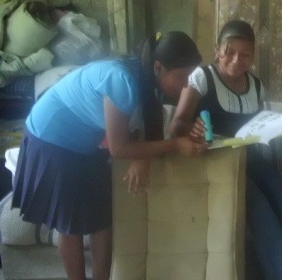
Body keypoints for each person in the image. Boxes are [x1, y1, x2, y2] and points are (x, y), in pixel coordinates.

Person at [11, 31, 206, 280]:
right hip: (52, 139)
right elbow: (119, 148)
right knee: (70, 227)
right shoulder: (123, 79)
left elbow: (142, 127)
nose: (185, 84)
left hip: (86, 144)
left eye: (189, 77)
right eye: (180, 76)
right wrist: (176, 144)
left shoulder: (149, 81)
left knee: (102, 222)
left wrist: (143, 157)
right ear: (158, 67)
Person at [169, 19, 282, 280]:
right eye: (229, 52)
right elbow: (177, 124)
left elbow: (264, 125)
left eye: (245, 54)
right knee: (261, 213)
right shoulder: (202, 78)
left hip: (250, 158)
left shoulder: (256, 86)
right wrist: (192, 128)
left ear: (253, 56)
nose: (236, 60)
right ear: (217, 49)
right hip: (218, 163)